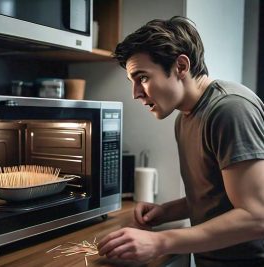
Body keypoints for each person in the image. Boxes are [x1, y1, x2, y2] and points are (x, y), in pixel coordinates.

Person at [97, 16, 264, 267]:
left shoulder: (230, 109)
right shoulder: (185, 117)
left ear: (181, 66)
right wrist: (167, 211)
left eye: (142, 78)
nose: (135, 93)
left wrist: (159, 242)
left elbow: (256, 217)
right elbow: (219, 195)